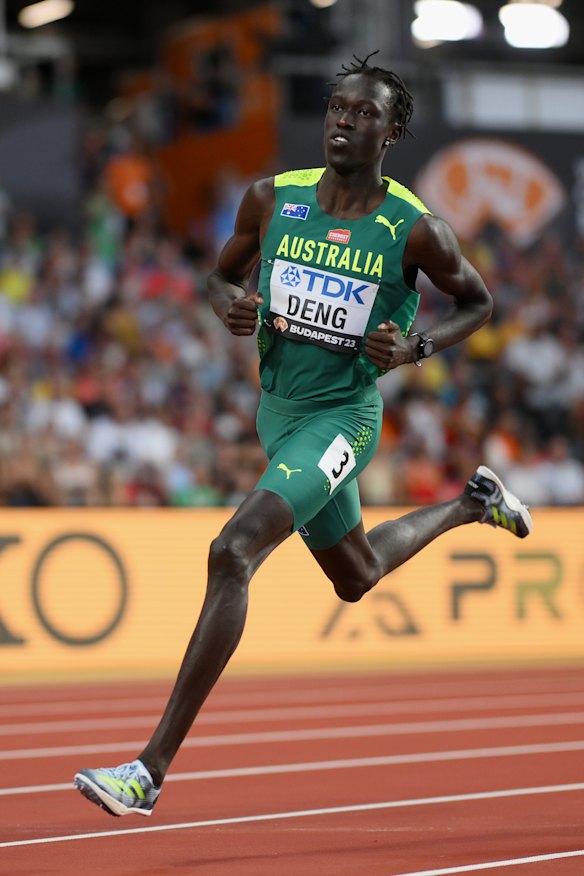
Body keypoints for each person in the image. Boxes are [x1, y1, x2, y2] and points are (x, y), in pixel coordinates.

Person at [74, 53, 533, 817]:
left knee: (232, 551)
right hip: (279, 412)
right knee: (354, 576)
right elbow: (220, 276)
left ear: (393, 133)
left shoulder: (415, 229)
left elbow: (478, 303)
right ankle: (470, 503)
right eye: (336, 110)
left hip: (340, 419)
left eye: (363, 114)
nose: (344, 123)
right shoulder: (271, 198)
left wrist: (416, 348)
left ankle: (147, 772)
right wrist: (227, 302)